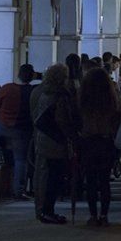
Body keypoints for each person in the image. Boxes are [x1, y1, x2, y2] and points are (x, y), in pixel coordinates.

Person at [30, 64, 77, 224]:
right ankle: (47, 211)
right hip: (55, 141)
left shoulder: (40, 92)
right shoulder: (59, 95)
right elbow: (63, 119)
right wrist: (70, 136)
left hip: (42, 139)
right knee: (52, 177)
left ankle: (42, 209)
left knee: (44, 176)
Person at [76, 67, 121, 225]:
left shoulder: (83, 98)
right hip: (105, 140)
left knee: (90, 180)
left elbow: (78, 118)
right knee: (104, 180)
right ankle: (104, 215)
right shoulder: (110, 98)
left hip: (88, 141)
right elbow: (117, 118)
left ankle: (93, 214)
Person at [0, 64, 36, 200]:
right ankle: (19, 190)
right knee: (21, 160)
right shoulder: (33, 91)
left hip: (4, 126)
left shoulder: (7, 88)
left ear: (18, 74)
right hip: (23, 131)